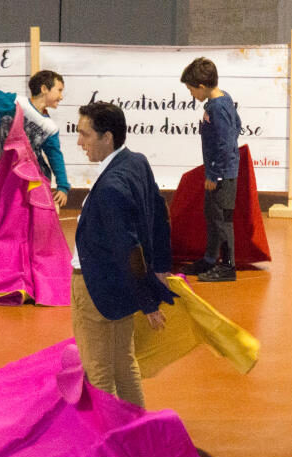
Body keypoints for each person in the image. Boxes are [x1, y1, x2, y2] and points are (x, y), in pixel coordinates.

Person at [72, 101, 174, 408]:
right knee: (125, 365)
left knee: (99, 374)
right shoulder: (137, 162)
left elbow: (126, 247)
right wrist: (160, 270)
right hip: (122, 286)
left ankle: (114, 448)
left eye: (85, 135)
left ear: (107, 137)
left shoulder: (110, 188)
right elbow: (159, 215)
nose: (80, 143)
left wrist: (148, 300)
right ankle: (138, 435)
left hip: (94, 287)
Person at [180, 57, 243, 282]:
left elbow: (226, 143)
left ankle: (227, 267)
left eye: (191, 90)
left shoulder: (218, 107)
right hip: (219, 171)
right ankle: (209, 258)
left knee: (222, 221)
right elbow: (238, 124)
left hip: (222, 175)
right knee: (212, 216)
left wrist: (215, 174)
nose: (191, 94)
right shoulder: (222, 99)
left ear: (202, 87)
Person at [0, 70, 70, 207]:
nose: (61, 97)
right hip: (12, 175)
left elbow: (55, 156)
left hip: (35, 178)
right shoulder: (17, 104)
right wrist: (14, 105)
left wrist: (63, 186)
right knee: (11, 214)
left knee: (31, 214)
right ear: (44, 89)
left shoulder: (49, 127)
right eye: (59, 90)